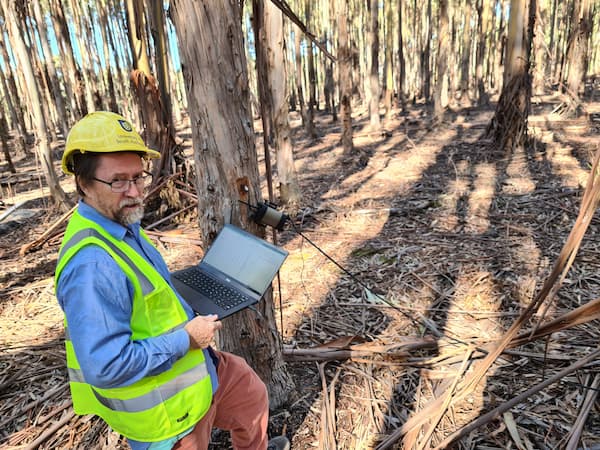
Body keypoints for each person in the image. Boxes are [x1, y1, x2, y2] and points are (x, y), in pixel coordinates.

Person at [54, 111, 290, 450]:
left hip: (199, 370)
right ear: (83, 183)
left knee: (250, 395)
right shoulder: (92, 264)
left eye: (139, 177)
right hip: (168, 411)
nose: (134, 191)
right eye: (118, 181)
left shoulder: (123, 226)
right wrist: (187, 340)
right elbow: (105, 366)